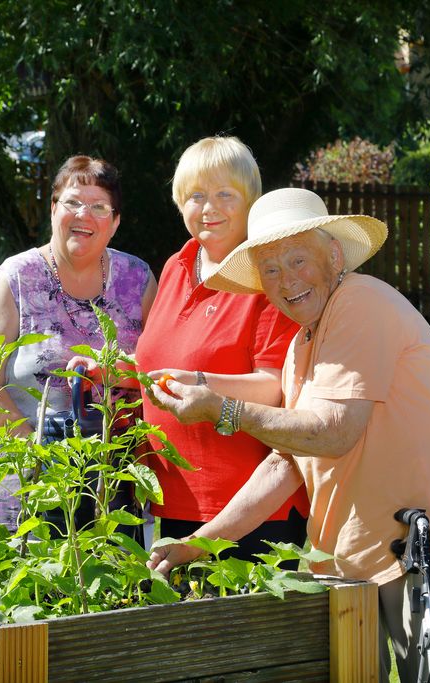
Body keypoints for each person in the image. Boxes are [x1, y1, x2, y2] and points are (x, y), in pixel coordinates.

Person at [146, 187, 430, 683]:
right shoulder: (301, 347)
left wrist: (222, 409)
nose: (287, 280)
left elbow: (334, 433)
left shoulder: (360, 303)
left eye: (297, 260)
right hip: (353, 549)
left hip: (424, 540)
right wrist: (197, 544)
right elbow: (283, 461)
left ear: (334, 255)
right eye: (271, 269)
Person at [78, 136, 308, 562]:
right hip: (176, 496)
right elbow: (166, 365)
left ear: (250, 200)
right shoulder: (177, 266)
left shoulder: (267, 274)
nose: (209, 207)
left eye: (225, 194)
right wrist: (114, 371)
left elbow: (275, 387)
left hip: (253, 505)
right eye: (196, 196)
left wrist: (203, 385)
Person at [0, 155, 157, 532]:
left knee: (111, 582)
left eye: (99, 206)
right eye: (72, 202)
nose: (84, 215)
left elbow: (157, 368)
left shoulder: (137, 279)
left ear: (115, 222)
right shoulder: (19, 276)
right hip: (25, 473)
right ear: (54, 208)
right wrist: (40, 456)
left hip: (113, 477)